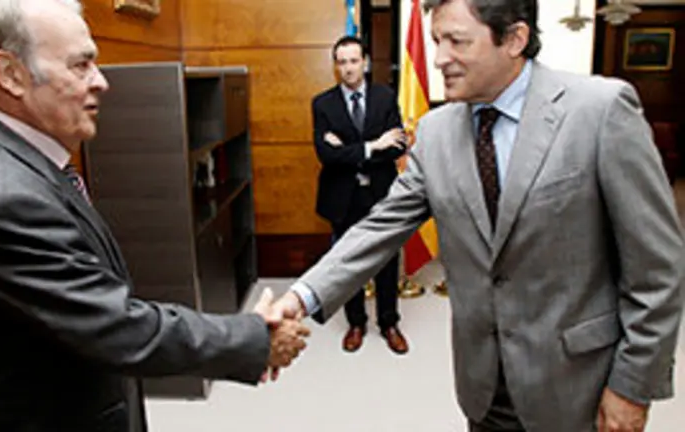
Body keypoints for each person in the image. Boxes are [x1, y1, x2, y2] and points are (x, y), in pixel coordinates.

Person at [277, 0, 685, 431]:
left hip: (578, 386)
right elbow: (379, 227)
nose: (438, 59)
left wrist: (633, 385)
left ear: (514, 39)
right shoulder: (435, 134)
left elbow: (657, 268)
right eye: (436, 41)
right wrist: (299, 298)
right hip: (484, 385)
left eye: (456, 41)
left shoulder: (600, 111)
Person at [0, 1, 308, 431]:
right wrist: (253, 338)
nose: (101, 82)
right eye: (80, 65)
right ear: (10, 73)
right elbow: (117, 327)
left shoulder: (19, 162)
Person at [310, 35, 410, 354]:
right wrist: (372, 145)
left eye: (354, 61)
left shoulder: (385, 96)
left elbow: (398, 145)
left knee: (386, 260)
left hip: (381, 193)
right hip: (343, 197)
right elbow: (326, 155)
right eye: (342, 62)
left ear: (365, 63)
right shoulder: (322, 104)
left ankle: (389, 322)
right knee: (347, 262)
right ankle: (356, 323)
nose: (349, 68)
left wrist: (352, 150)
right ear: (336, 66)